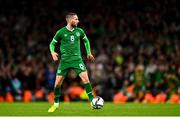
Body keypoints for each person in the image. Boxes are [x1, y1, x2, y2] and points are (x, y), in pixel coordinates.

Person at [48, 12, 95, 112]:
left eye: (78, 19)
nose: (78, 21)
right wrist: (52, 52)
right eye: (76, 19)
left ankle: (92, 102)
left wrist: (89, 53)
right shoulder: (60, 32)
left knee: (86, 79)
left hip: (77, 60)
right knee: (57, 84)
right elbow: (52, 44)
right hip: (64, 61)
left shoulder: (80, 31)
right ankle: (56, 104)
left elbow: (86, 41)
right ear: (69, 20)